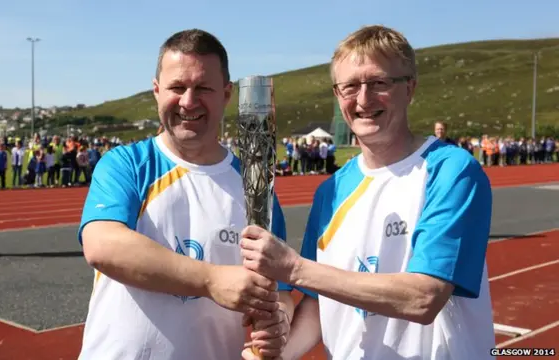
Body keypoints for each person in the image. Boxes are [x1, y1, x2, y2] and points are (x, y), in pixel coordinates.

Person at [239, 25, 495, 360]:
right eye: (350, 87)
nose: (363, 99)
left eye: (379, 83)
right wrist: (279, 351)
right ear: (337, 95)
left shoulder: (451, 171)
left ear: (410, 88)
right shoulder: (330, 191)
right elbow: (319, 302)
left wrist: (294, 268)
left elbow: (424, 297)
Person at [77, 29, 293, 360]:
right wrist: (210, 280)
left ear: (226, 93)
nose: (188, 102)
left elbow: (280, 289)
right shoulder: (127, 164)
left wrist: (280, 322)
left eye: (203, 88)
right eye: (177, 87)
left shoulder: (256, 187)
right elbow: (102, 245)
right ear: (156, 90)